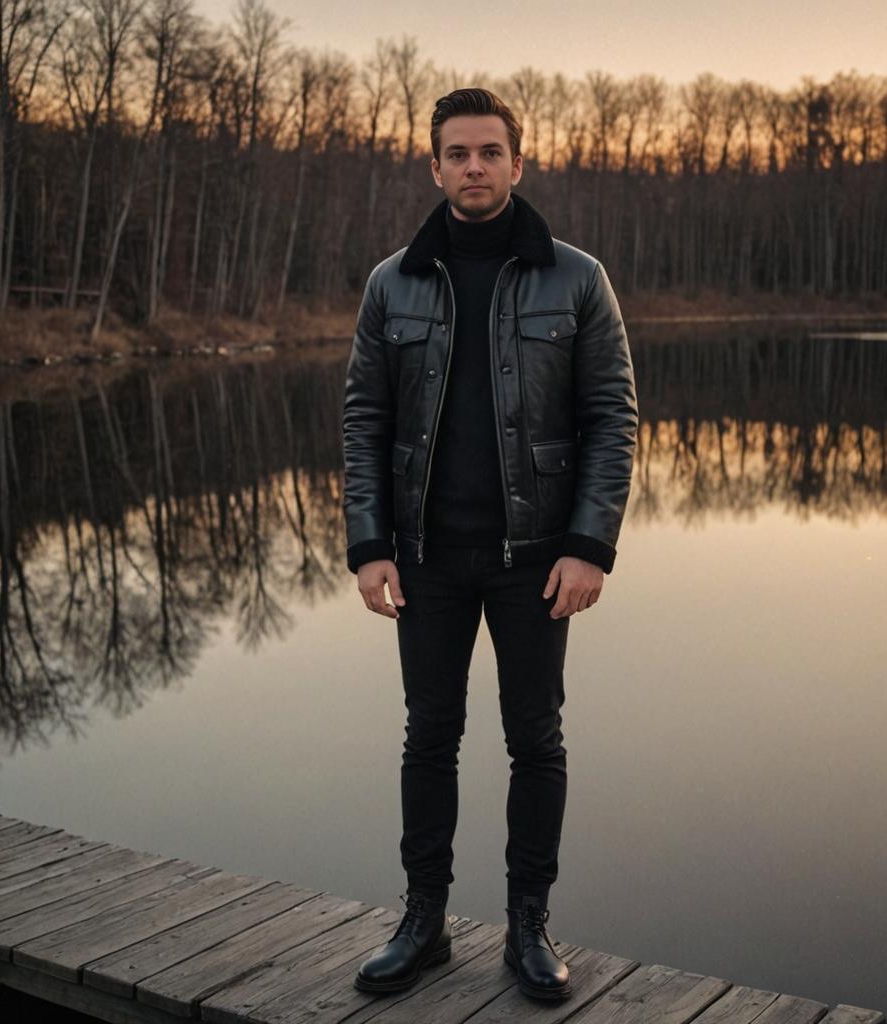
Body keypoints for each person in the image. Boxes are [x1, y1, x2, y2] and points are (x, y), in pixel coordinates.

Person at [343, 87, 638, 1001]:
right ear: (434, 167)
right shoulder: (392, 282)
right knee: (428, 736)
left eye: (490, 152)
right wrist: (369, 545)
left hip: (533, 557)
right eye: (457, 153)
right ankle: (423, 921)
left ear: (518, 162)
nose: (474, 167)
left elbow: (611, 420)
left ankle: (528, 924)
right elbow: (364, 419)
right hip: (425, 555)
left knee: (535, 739)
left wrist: (589, 544)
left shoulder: (576, 278)